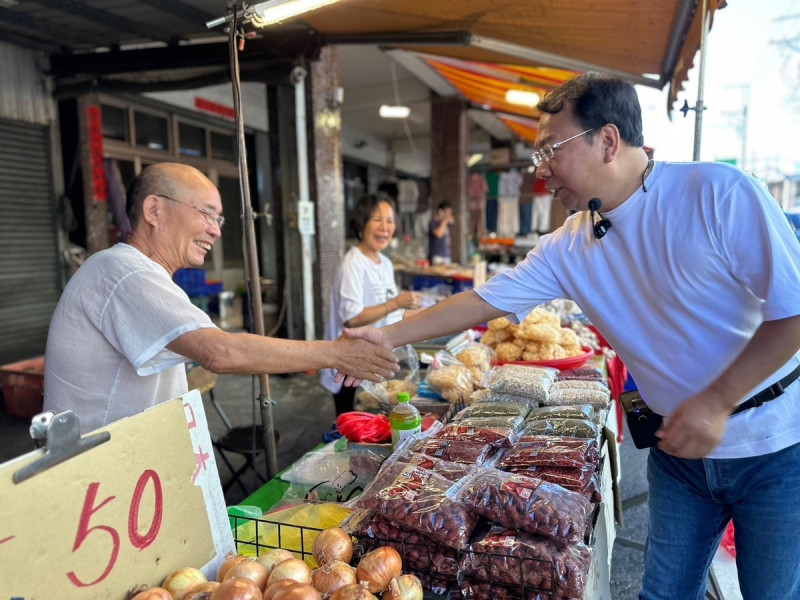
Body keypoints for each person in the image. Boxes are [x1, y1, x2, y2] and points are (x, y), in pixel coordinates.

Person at [344, 73, 800, 599]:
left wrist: (716, 401)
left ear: (607, 141)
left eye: (549, 151)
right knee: (664, 593)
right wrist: (389, 336)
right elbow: (483, 300)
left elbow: (791, 312)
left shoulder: (718, 194)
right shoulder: (571, 242)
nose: (541, 172)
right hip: (682, 457)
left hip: (775, 451)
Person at [43, 163, 398, 433]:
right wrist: (337, 353)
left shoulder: (138, 273)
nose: (215, 229)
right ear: (154, 210)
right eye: (206, 213)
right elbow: (220, 351)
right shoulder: (123, 271)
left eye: (219, 218)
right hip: (99, 485)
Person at [320, 193, 422, 415]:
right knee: (351, 421)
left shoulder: (384, 262)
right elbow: (352, 318)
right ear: (361, 223)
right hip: (350, 361)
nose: (385, 227)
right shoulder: (353, 264)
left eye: (390, 220)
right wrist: (395, 302)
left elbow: (390, 312)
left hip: (375, 359)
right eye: (377, 219)